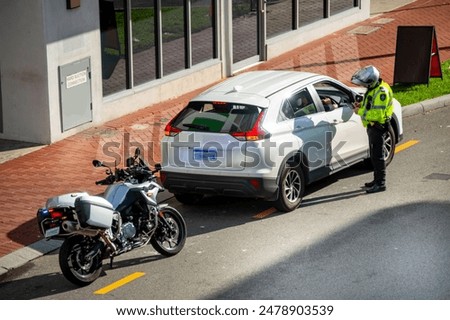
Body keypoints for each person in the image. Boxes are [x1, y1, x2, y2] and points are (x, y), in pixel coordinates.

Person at [351, 65, 394, 193]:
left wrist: (359, 111)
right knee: (374, 156)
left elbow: (377, 114)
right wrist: (361, 104)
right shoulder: (374, 88)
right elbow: (370, 104)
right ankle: (376, 180)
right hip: (373, 126)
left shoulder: (381, 92)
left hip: (378, 127)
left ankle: (381, 183)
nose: (364, 87)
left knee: (378, 157)